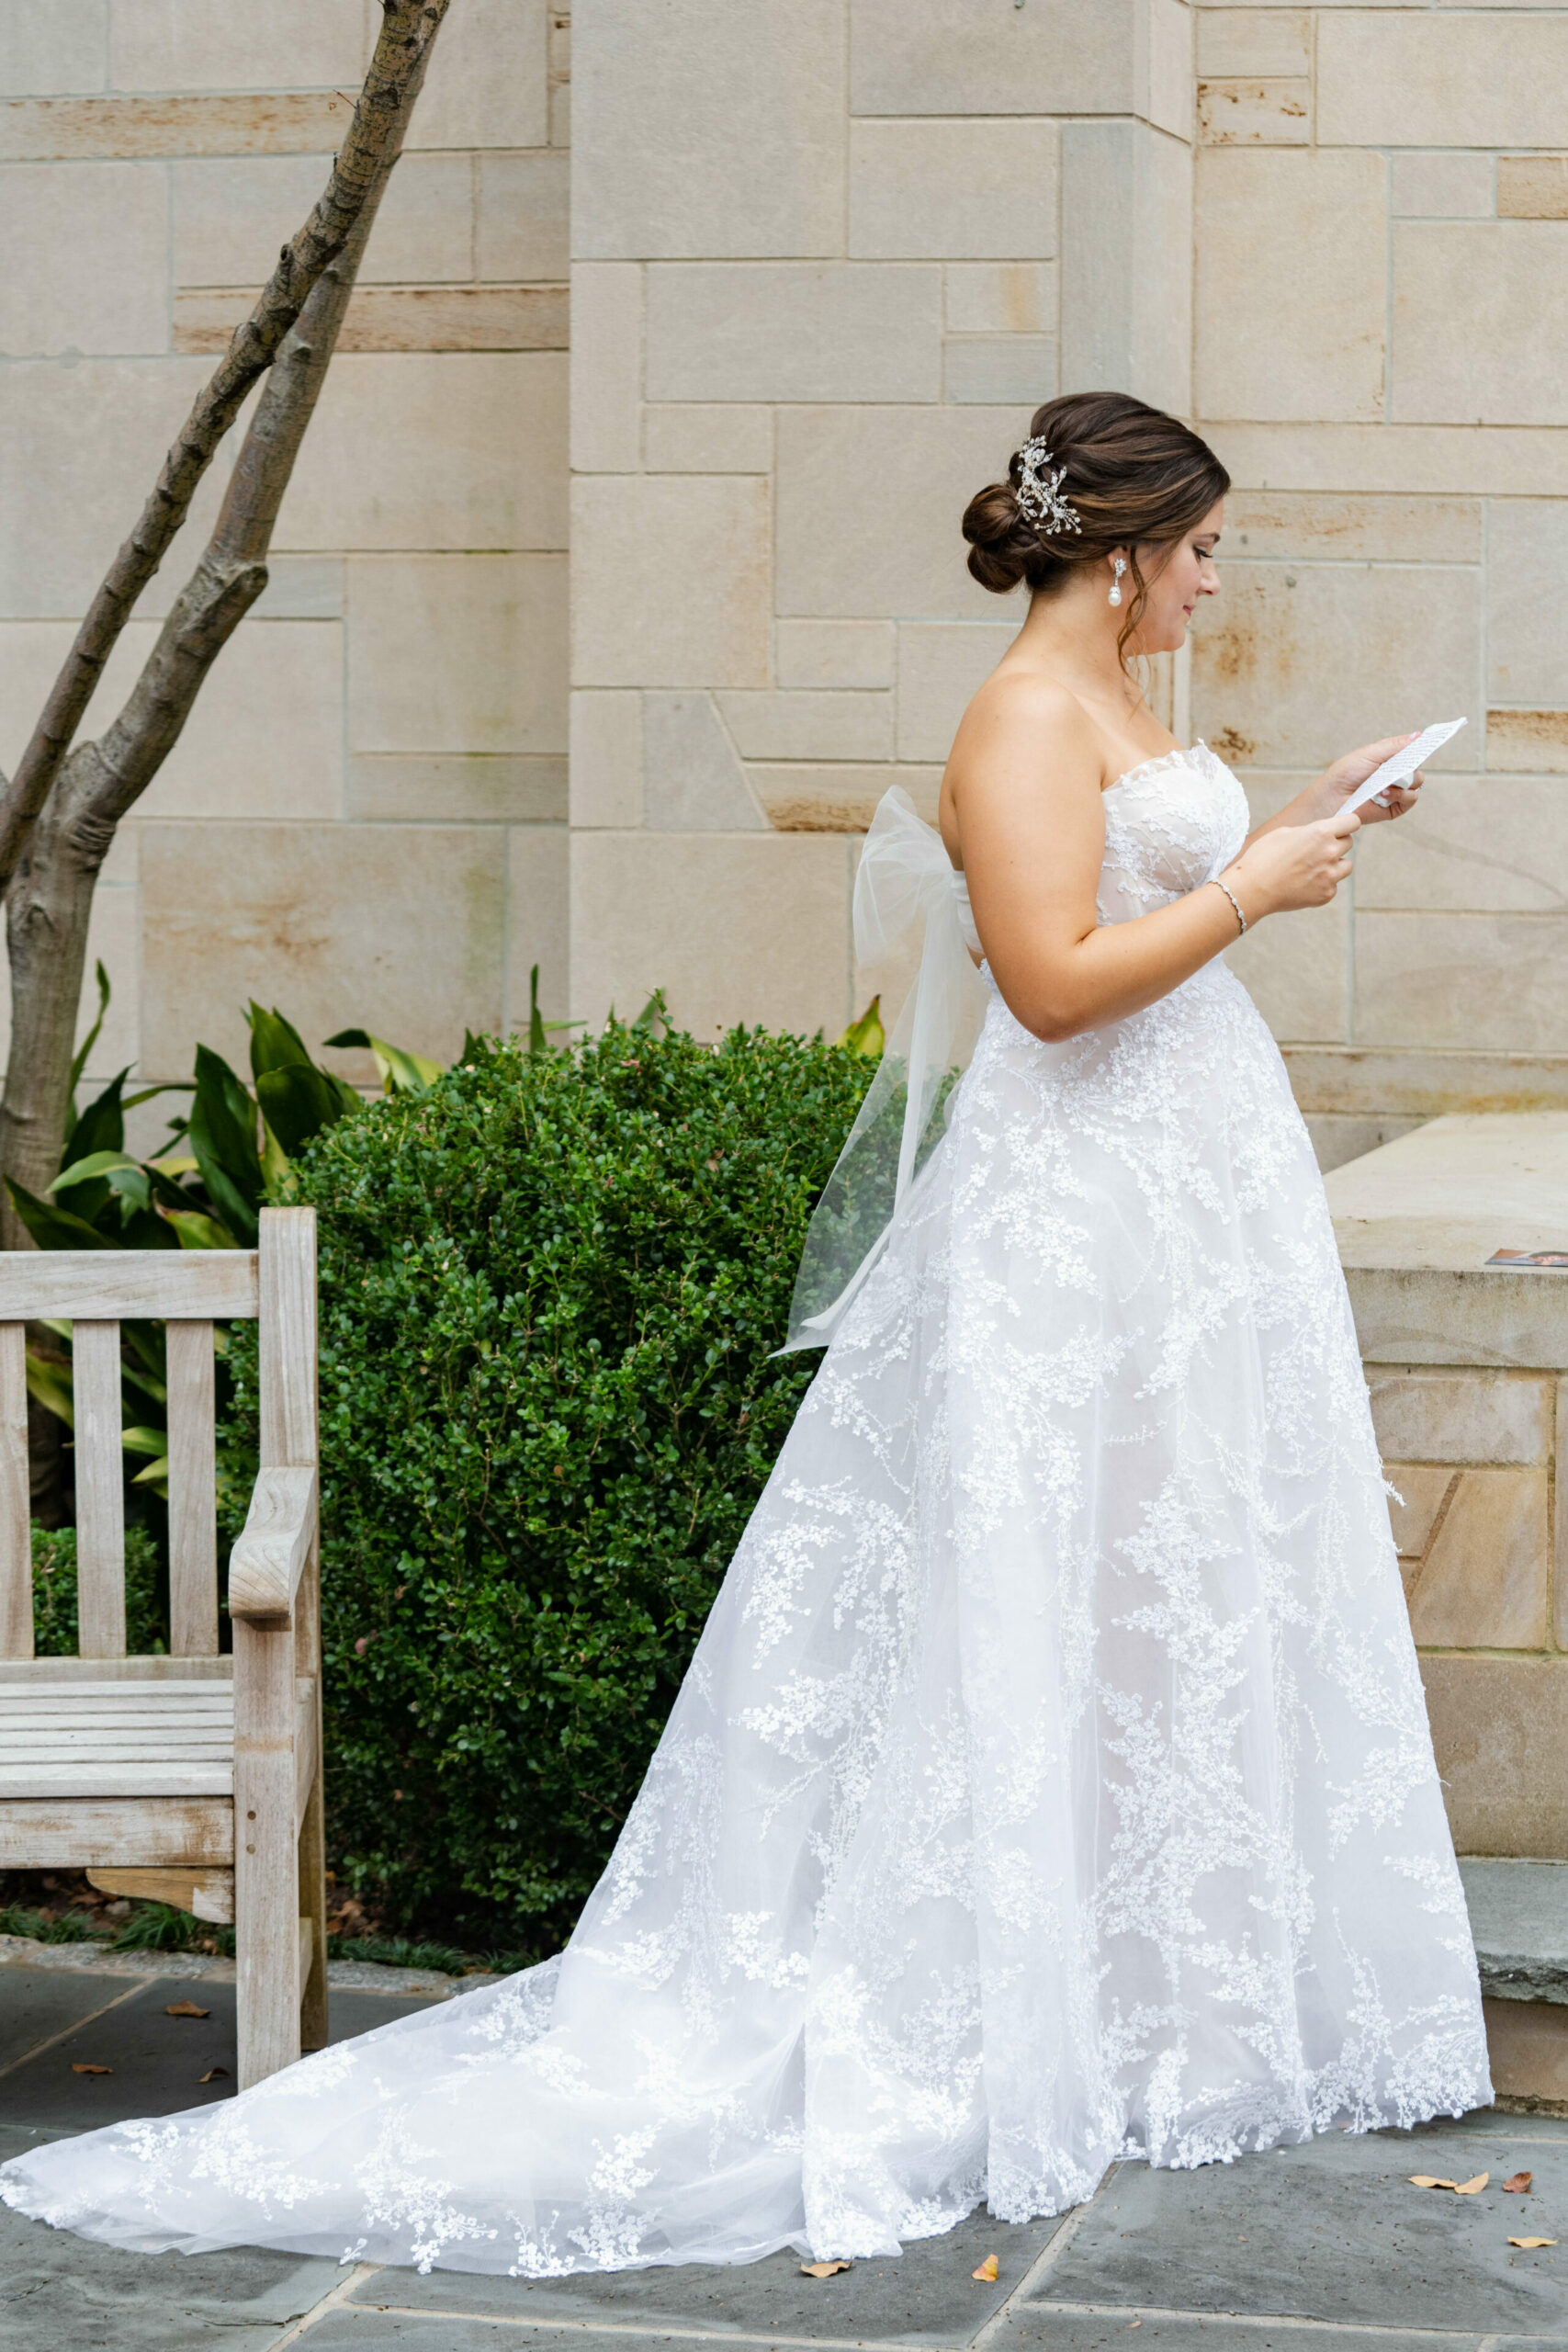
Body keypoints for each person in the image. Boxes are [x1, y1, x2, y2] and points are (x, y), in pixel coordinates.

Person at [0, 391, 1490, 2278]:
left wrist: (1287, 826)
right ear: (1118, 551)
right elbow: (1043, 991)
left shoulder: (1111, 695)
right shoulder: (1021, 713)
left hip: (1173, 1207)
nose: (1212, 578)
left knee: (1152, 1586)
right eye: (1199, 550)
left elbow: (1137, 906)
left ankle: (1142, 2011)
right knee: (1021, 1591)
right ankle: (988, 2023)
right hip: (1073, 1208)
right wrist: (1247, 886)